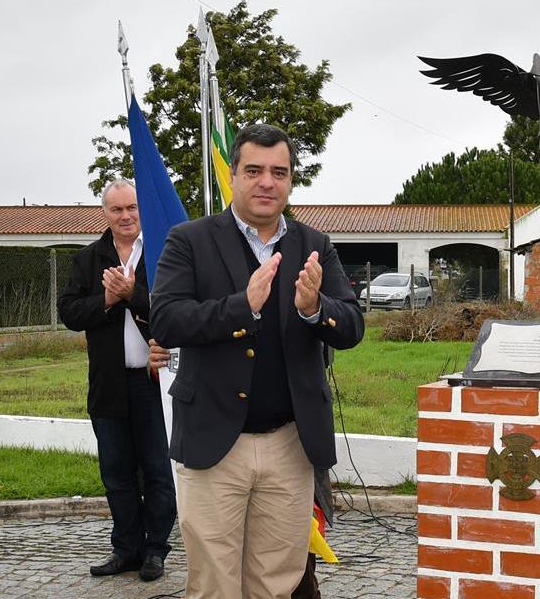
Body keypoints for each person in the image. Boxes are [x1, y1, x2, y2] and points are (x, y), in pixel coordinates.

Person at [151, 123, 364, 599]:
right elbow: (165, 319)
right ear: (236, 176)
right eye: (254, 170)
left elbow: (352, 325)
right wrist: (241, 306)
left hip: (290, 444)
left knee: (276, 583)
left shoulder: (315, 244)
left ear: (290, 180)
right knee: (214, 585)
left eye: (279, 172)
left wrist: (315, 309)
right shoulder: (190, 240)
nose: (267, 182)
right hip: (213, 445)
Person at [58, 179, 176, 581]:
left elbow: (179, 309)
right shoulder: (90, 258)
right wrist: (108, 299)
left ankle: (156, 549)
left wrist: (132, 293)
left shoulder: (165, 252)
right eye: (117, 210)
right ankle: (126, 548)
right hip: (108, 383)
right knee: (116, 471)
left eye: (132, 209)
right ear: (105, 213)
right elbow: (70, 312)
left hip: (155, 382)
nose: (125, 217)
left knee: (158, 469)